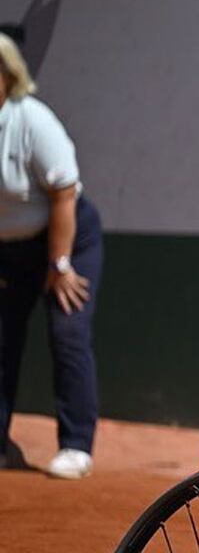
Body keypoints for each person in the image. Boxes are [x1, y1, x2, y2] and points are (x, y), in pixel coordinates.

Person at [0, 32, 103, 479]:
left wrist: (59, 265)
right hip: (8, 250)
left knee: (67, 331)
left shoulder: (33, 121)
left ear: (7, 77)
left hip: (67, 241)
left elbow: (64, 194)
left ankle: (76, 446)